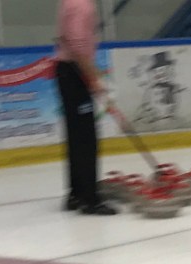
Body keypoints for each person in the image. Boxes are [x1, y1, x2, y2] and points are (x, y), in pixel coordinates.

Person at [55, 0, 117, 215]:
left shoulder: (69, 2)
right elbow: (78, 46)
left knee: (76, 136)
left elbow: (64, 37)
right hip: (75, 72)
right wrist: (93, 79)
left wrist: (92, 75)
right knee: (86, 138)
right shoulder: (82, 5)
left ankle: (76, 194)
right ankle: (90, 200)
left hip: (68, 70)